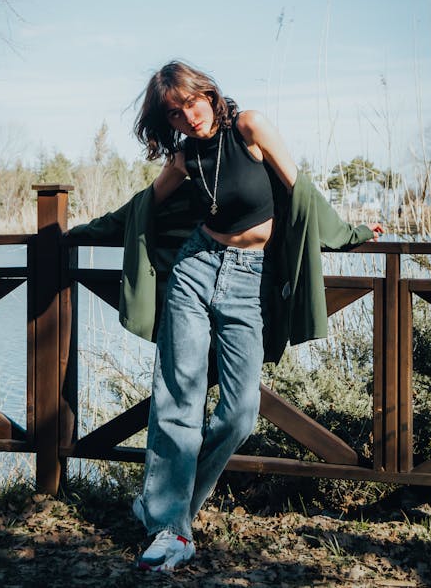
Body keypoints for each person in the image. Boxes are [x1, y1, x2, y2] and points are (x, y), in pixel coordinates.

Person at [67, 60, 382, 572]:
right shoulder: (185, 157)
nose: (188, 117)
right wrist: (78, 233)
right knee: (179, 398)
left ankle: (166, 507)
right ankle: (171, 530)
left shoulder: (249, 127)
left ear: (210, 95)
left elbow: (300, 193)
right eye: (174, 113)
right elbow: (140, 209)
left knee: (239, 412)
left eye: (192, 102)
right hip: (194, 270)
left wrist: (350, 233)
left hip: (247, 284)